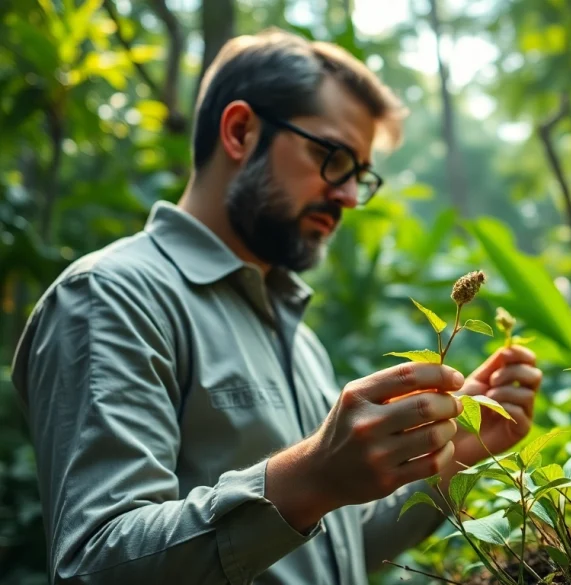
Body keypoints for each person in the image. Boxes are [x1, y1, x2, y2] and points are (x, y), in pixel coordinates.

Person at [10, 28, 542, 585]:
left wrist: (452, 451)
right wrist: (311, 476)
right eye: (332, 157)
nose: (347, 197)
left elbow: (335, 552)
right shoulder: (113, 296)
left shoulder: (296, 336)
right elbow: (93, 563)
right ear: (240, 131)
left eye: (361, 176)